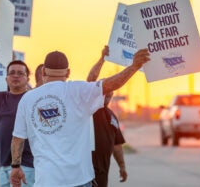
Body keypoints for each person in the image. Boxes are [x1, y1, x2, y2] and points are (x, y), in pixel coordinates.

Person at [10, 49, 150, 187]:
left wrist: (15, 167)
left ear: (43, 72)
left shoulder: (27, 99)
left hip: (47, 181)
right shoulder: (78, 91)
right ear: (68, 72)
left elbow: (18, 138)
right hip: (79, 180)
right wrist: (134, 66)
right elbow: (110, 84)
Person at [87, 46, 127, 187]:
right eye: (105, 89)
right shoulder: (90, 109)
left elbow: (116, 145)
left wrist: (122, 166)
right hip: (85, 175)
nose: (108, 93)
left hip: (102, 176)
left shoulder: (112, 116)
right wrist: (102, 59)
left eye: (110, 91)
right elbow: (91, 81)